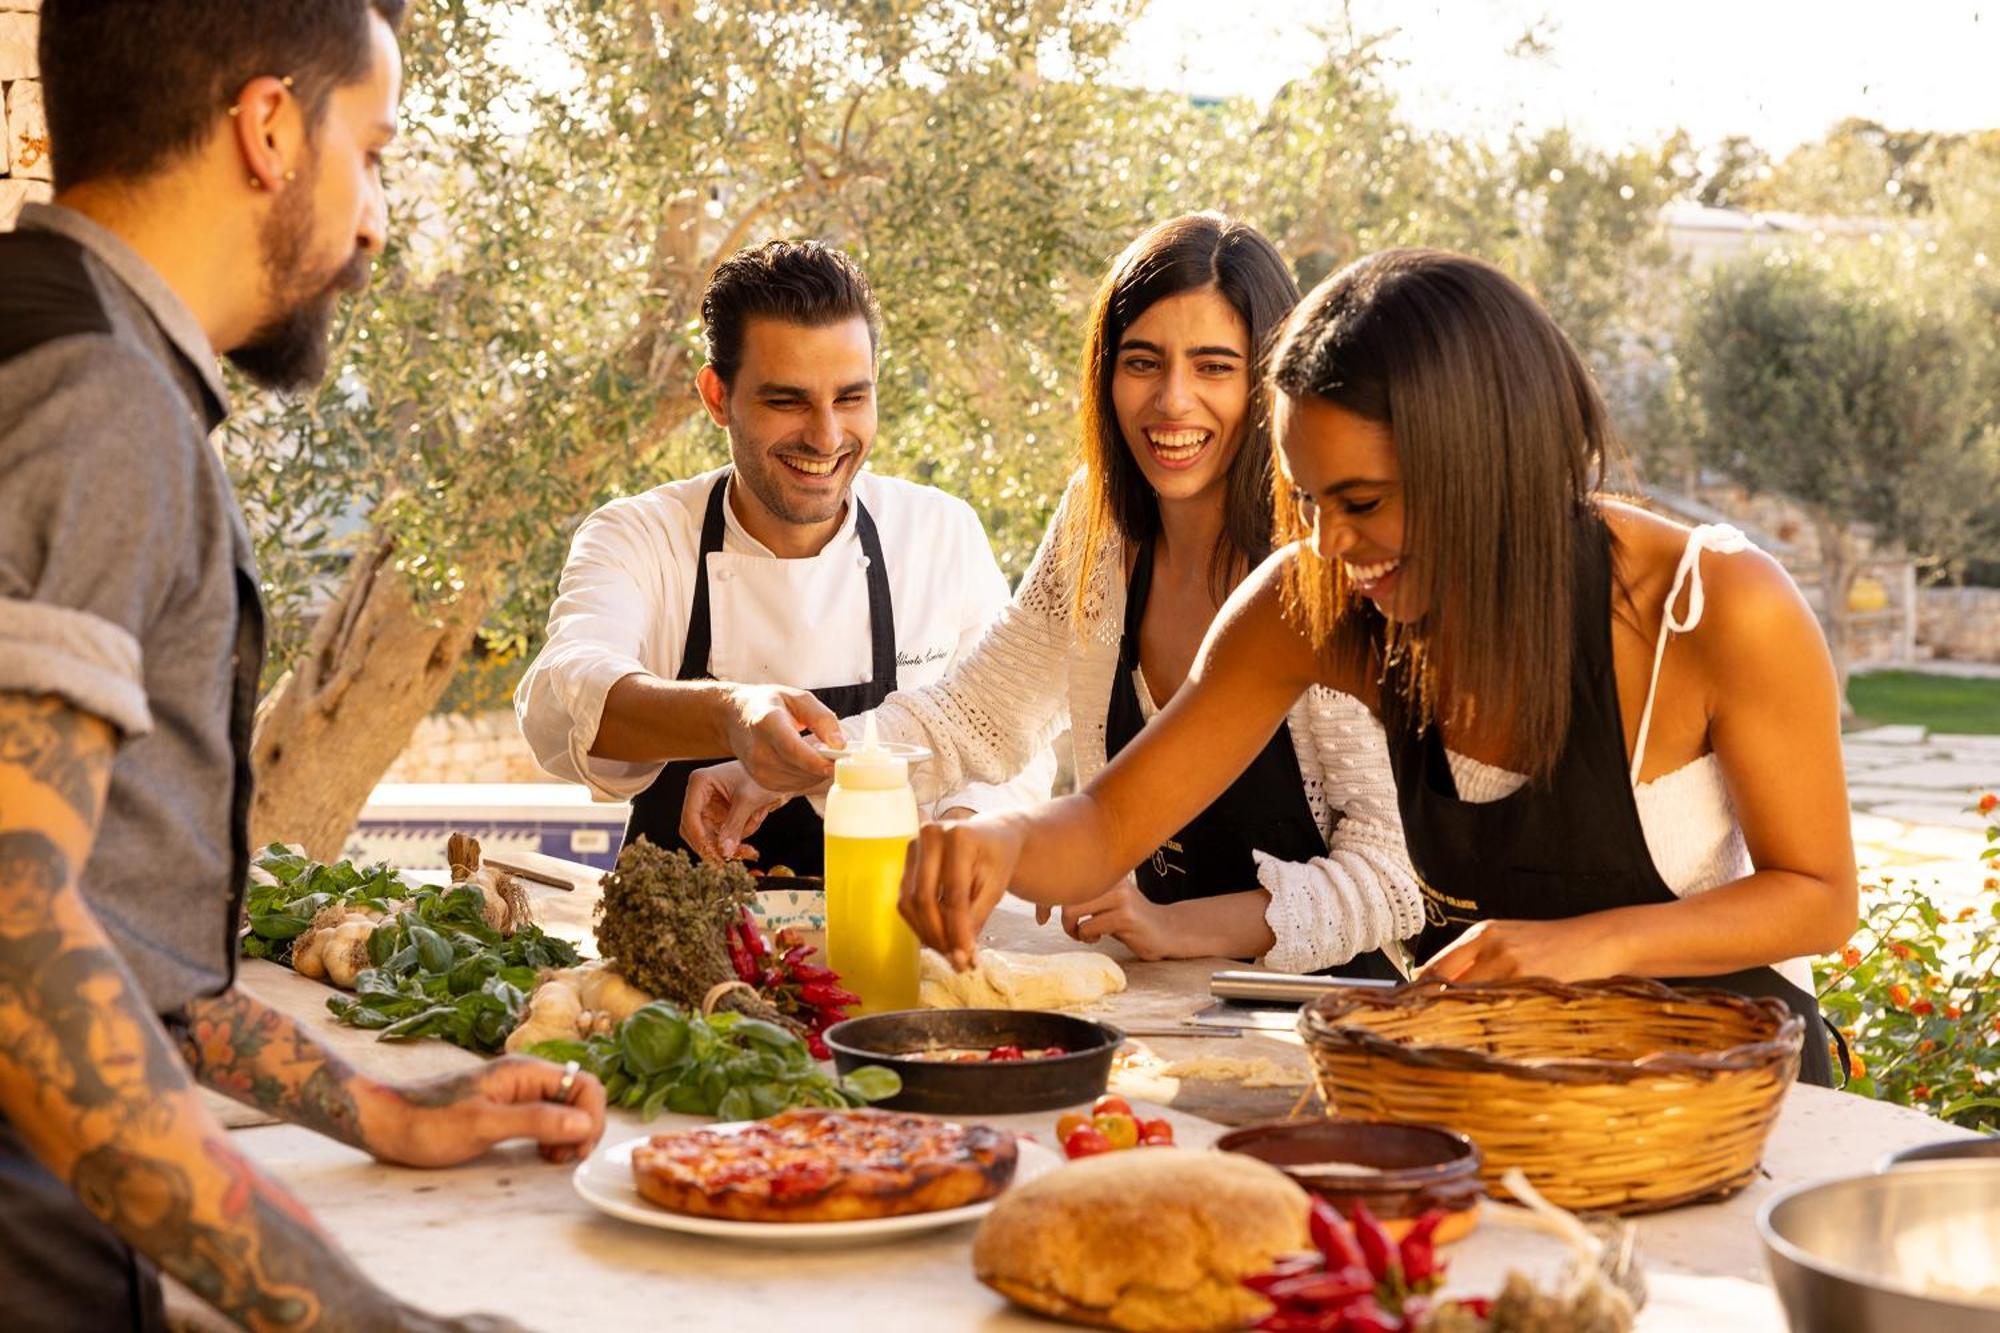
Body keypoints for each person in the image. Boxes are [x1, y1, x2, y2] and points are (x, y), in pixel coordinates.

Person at [896, 248, 1856, 1087]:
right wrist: (1007, 841)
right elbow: (1107, 822)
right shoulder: (1313, 604)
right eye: (1306, 498)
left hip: (1736, 1089)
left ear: (1484, 467)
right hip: (1515, 1084)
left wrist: (1582, 948)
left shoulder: (1714, 606)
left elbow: (1817, 895)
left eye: (1361, 500)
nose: (1326, 543)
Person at [0, 4, 604, 1330]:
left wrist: (378, 1108)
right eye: (373, 151)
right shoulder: (101, 405)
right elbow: (16, 944)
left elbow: (113, 934)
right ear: (269, 128)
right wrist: (355, 1318)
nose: (377, 217)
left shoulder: (37, 342)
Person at [682, 214, 1420, 975]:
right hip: (1168, 993)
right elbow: (974, 715)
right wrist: (783, 769)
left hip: (1334, 1010)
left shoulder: (1326, 565)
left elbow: (1393, 881)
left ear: (1270, 383)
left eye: (1213, 367)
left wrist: (1180, 925)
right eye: (1142, 362)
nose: (1172, 401)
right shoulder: (1097, 526)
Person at [516, 240, 1054, 873]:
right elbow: (563, 698)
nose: (826, 438)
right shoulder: (641, 537)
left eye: (851, 398)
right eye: (787, 401)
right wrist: (729, 716)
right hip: (686, 954)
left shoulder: (939, 534)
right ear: (718, 396)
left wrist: (963, 830)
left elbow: (1012, 740)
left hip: (898, 936)